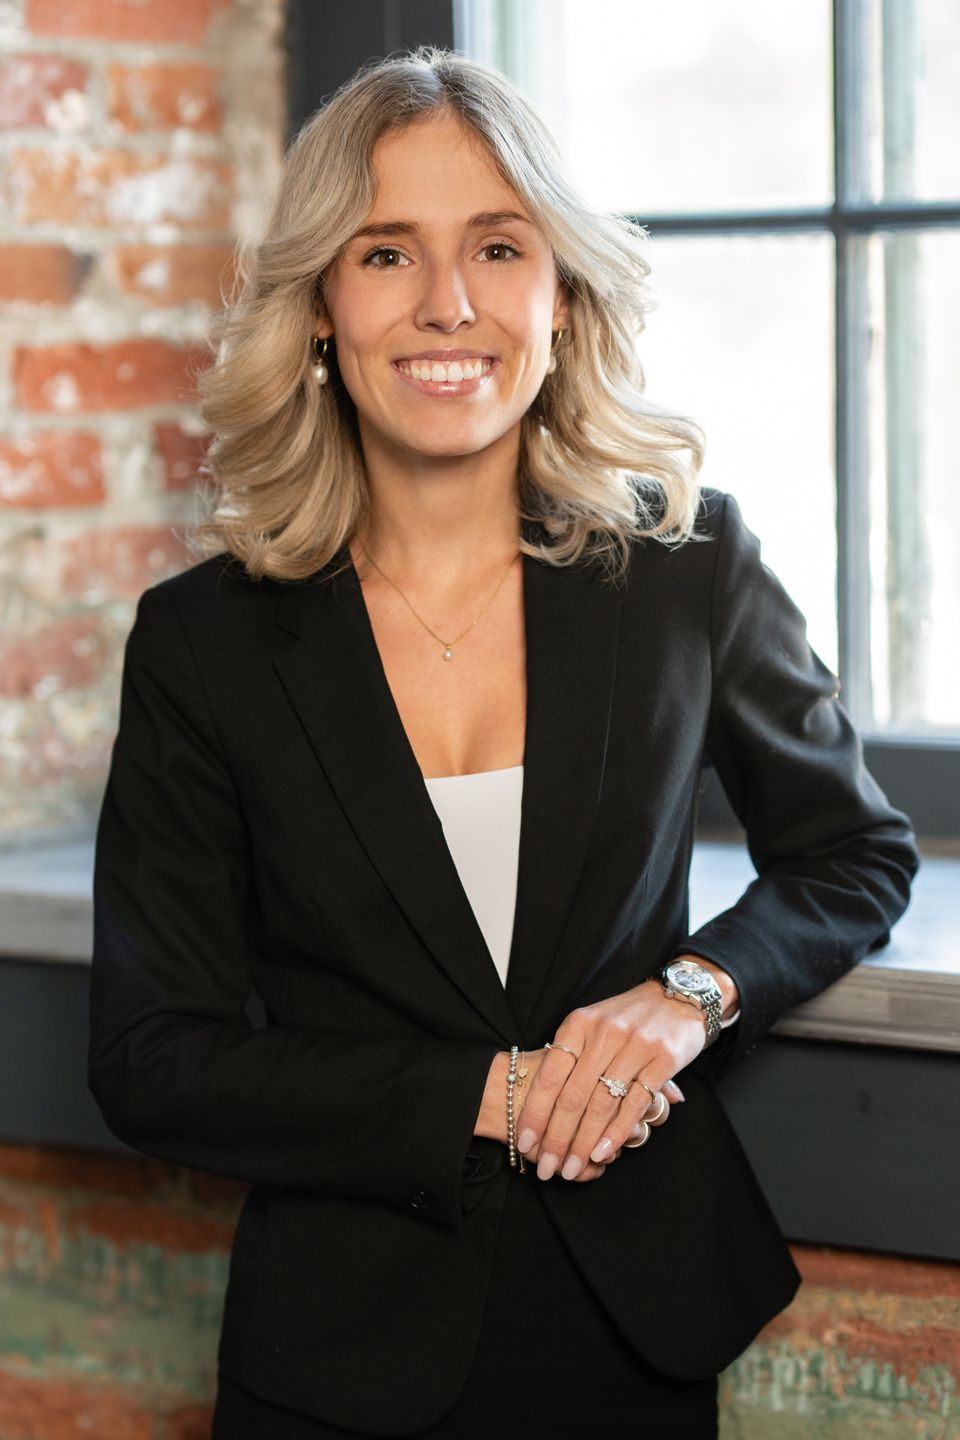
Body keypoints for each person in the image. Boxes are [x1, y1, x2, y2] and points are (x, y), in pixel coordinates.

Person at [87, 46, 918, 1440]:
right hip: (336, 1359)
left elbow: (854, 854)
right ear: (319, 309)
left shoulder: (687, 565)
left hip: (634, 1328)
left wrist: (691, 995)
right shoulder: (204, 642)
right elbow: (151, 1057)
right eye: (385, 253)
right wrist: (491, 1094)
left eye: (497, 246)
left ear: (562, 294)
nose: (449, 303)